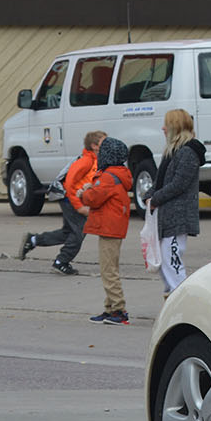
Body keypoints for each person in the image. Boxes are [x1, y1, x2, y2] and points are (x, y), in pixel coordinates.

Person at [18, 129, 105, 276]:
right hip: (69, 199)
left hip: (73, 199)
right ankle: (61, 261)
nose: (108, 144)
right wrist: (79, 207)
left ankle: (33, 240)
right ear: (94, 146)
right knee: (79, 232)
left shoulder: (96, 160)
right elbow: (69, 183)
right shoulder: (86, 160)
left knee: (67, 233)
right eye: (104, 141)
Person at [148, 109, 207, 295]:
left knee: (172, 261)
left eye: (166, 124)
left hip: (177, 217)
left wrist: (156, 198)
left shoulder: (188, 152)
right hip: (166, 217)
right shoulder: (172, 151)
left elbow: (179, 184)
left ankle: (183, 299)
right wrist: (149, 195)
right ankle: (173, 297)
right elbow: (161, 180)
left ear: (175, 127)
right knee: (164, 262)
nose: (163, 128)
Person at [80, 136, 132, 325]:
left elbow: (93, 198)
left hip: (109, 229)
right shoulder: (118, 173)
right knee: (110, 268)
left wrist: (83, 192)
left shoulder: (108, 176)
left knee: (108, 270)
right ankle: (109, 308)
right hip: (114, 227)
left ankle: (118, 310)